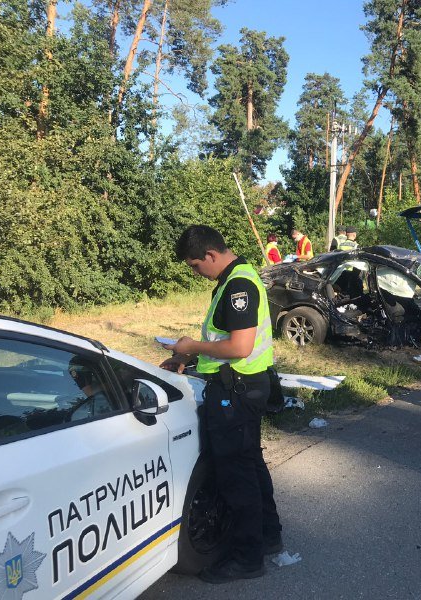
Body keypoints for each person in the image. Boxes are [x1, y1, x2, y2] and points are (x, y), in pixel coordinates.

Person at [160, 225, 282, 582]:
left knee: (236, 474)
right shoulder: (235, 278)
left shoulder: (238, 285)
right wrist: (191, 361)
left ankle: (246, 558)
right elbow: (227, 345)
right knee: (251, 465)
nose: (197, 273)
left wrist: (191, 347)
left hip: (236, 392)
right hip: (243, 386)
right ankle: (268, 536)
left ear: (211, 255)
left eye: (196, 266)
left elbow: (239, 348)